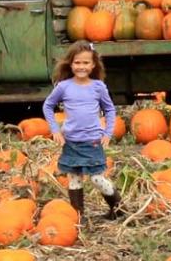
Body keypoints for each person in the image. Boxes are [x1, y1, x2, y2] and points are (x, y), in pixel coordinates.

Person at [42, 42, 122, 222]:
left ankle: (118, 206)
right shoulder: (64, 86)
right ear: (70, 64)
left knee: (96, 178)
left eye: (86, 63)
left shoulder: (98, 87)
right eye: (77, 63)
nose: (81, 67)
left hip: (93, 141)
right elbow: (48, 106)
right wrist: (55, 129)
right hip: (71, 141)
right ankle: (78, 215)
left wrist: (108, 133)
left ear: (93, 65)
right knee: (74, 178)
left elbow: (109, 109)